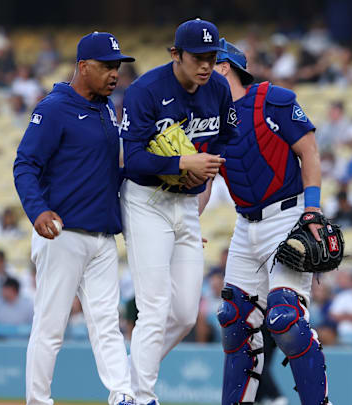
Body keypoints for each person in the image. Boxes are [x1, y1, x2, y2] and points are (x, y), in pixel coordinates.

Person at [205, 37, 333, 405]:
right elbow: (205, 181)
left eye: (208, 63)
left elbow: (308, 149)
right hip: (245, 224)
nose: (200, 71)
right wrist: (186, 228)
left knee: (285, 318)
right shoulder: (208, 119)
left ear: (225, 66)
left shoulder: (273, 100)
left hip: (288, 214)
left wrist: (312, 209)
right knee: (233, 320)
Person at [13, 31, 136, 405]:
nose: (115, 74)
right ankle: (38, 401)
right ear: (83, 66)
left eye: (117, 66)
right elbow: (25, 164)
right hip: (61, 233)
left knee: (106, 325)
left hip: (101, 237)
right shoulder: (53, 107)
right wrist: (37, 210)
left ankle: (123, 394)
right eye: (106, 66)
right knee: (51, 327)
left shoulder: (105, 108)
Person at [119, 19, 236, 405]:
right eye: (197, 58)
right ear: (175, 55)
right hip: (145, 201)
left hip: (185, 204)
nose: (205, 65)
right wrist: (182, 165)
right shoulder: (145, 90)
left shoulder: (217, 89)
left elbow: (221, 147)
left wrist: (197, 190)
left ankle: (130, 378)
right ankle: (142, 396)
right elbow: (132, 159)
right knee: (154, 306)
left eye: (211, 58)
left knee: (185, 314)